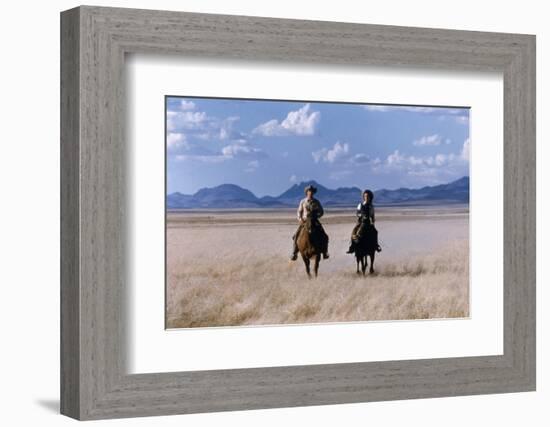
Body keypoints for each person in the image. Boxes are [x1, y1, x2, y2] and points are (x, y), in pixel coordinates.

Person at [290, 185, 330, 261]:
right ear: (307, 192)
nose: (310, 193)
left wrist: (317, 216)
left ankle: (325, 252)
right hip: (304, 221)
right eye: (309, 191)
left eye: (311, 191)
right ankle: (294, 253)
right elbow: (299, 212)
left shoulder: (316, 202)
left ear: (313, 193)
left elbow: (321, 212)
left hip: (314, 221)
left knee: (324, 235)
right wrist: (300, 219)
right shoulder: (303, 201)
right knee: (296, 235)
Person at [346, 189, 382, 254]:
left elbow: (372, 215)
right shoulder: (360, 205)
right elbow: (357, 213)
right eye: (365, 196)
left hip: (368, 223)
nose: (366, 198)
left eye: (368, 196)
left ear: (370, 197)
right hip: (361, 222)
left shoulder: (371, 206)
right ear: (363, 197)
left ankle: (376, 245)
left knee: (375, 232)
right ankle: (352, 247)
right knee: (353, 232)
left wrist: (372, 221)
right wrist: (361, 216)